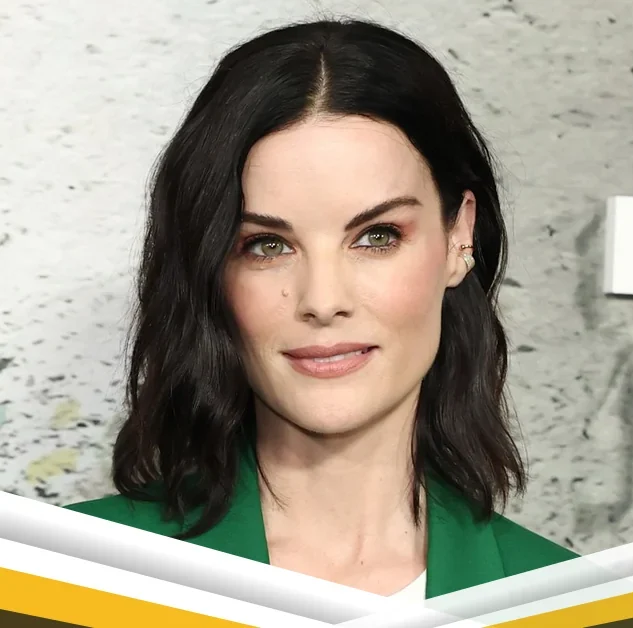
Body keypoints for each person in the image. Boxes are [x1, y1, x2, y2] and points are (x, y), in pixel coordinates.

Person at [66, 17, 578, 600]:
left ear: (459, 236)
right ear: (210, 267)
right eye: (267, 245)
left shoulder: (574, 608)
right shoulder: (57, 579)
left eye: (378, 236)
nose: (323, 301)